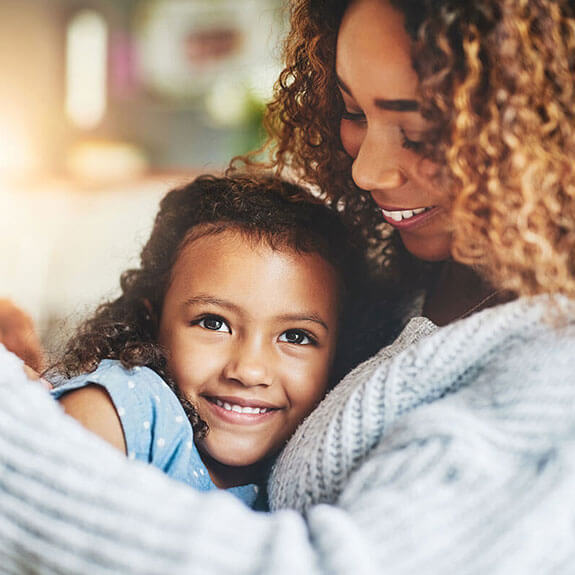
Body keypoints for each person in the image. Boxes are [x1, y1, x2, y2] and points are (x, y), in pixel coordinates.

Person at [1, 0, 575, 573]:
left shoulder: (553, 373)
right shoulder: (406, 263)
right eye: (353, 111)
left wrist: (15, 437)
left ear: (541, 126)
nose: (367, 171)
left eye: (420, 128)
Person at [48, 173, 394, 507]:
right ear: (152, 320)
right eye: (214, 323)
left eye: (295, 336)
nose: (248, 370)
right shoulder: (126, 409)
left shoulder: (310, 461)